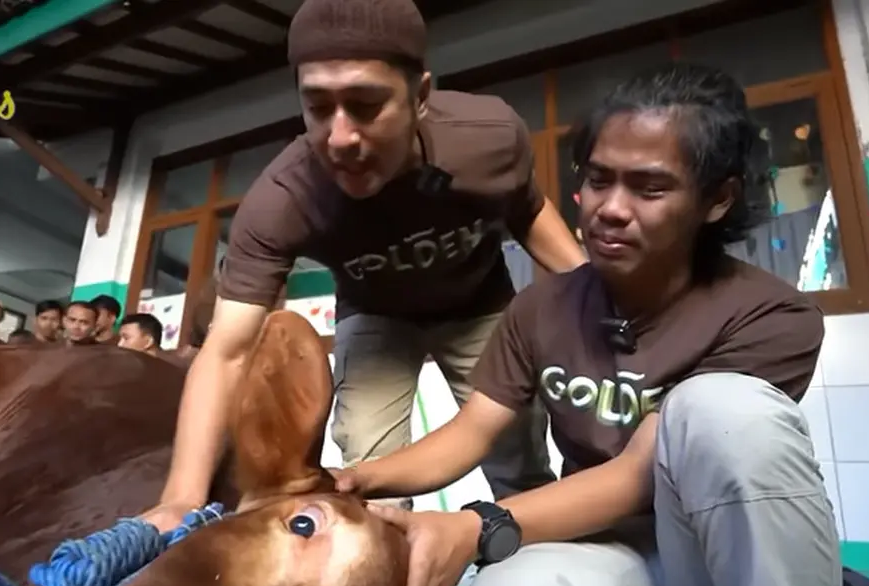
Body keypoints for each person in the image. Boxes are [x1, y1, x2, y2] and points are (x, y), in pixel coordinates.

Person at [334, 64, 869, 586]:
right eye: (597, 180)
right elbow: (472, 430)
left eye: (650, 188)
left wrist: (473, 526)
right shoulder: (539, 309)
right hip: (615, 560)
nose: (610, 209)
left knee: (718, 408)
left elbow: (637, 473)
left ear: (717, 199)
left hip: (718, 578)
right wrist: (354, 480)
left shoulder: (772, 316)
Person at [144, 0, 586, 530]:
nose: (340, 138)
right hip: (377, 316)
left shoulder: (487, 136)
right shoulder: (283, 199)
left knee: (518, 453)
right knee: (365, 472)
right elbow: (227, 351)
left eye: (366, 105)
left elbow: (528, 211)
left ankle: (536, 555)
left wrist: (600, 298)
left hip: (480, 304)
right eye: (317, 108)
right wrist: (181, 498)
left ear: (420, 97)